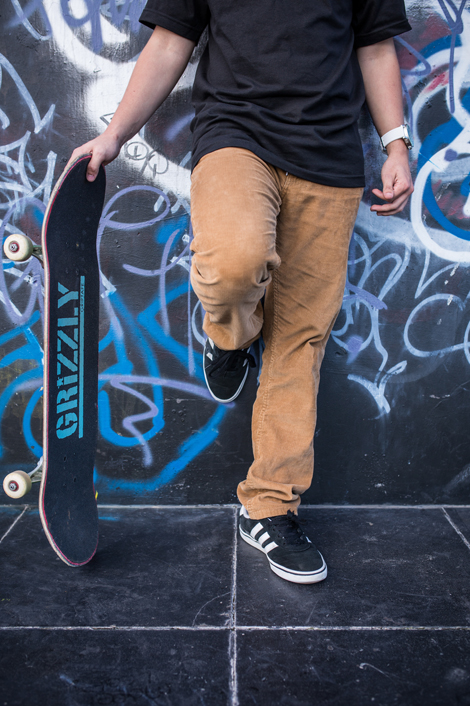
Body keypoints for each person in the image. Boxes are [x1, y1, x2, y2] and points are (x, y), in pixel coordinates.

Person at [71, 0, 413, 585]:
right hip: (235, 136)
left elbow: (376, 46)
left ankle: (270, 507)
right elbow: (170, 42)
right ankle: (229, 337)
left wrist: (396, 146)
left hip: (329, 160)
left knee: (300, 339)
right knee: (233, 263)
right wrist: (114, 135)